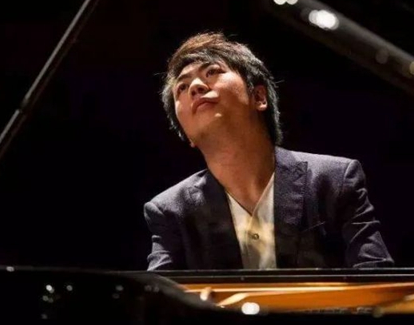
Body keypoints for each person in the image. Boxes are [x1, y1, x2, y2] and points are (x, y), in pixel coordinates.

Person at [144, 32, 393, 270]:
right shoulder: (171, 211)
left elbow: (376, 279)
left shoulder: (334, 181)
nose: (196, 87)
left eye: (212, 72)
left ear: (259, 97)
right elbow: (156, 296)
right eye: (182, 87)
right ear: (186, 134)